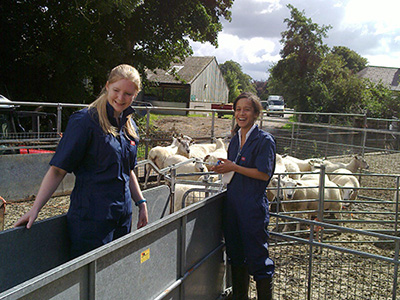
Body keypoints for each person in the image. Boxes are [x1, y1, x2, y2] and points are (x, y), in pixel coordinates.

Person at [14, 64, 148, 258]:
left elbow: (128, 171)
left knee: (116, 273)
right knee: (90, 280)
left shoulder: (129, 125)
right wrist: (35, 209)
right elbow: (58, 170)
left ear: (135, 95)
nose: (120, 98)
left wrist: (141, 203)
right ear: (107, 86)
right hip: (92, 219)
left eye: (128, 94)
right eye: (116, 90)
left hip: (122, 216)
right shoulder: (85, 121)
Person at [212, 92, 276, 300]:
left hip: (252, 206)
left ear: (256, 113)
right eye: (238, 109)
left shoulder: (264, 140)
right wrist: (224, 168)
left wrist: (235, 167)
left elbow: (264, 174)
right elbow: (234, 169)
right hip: (232, 204)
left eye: (247, 109)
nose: (241, 113)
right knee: (236, 255)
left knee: (258, 257)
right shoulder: (234, 139)